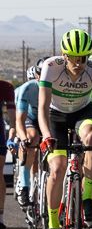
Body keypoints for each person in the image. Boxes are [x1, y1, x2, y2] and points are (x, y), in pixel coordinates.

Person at [38, 30, 92, 229]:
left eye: (84, 58)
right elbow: (42, 108)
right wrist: (45, 136)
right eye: (74, 57)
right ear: (64, 55)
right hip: (55, 116)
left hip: (83, 112)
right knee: (58, 168)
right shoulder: (51, 67)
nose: (79, 63)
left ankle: (88, 198)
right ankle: (52, 226)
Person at [14, 62, 44, 210]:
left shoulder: (59, 86)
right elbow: (19, 120)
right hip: (30, 119)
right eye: (40, 73)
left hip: (50, 120)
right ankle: (24, 183)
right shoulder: (28, 88)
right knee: (32, 138)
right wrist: (22, 138)